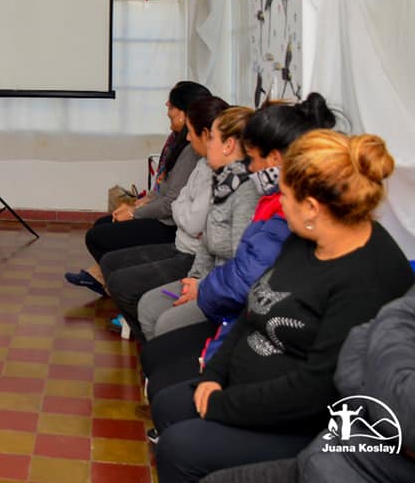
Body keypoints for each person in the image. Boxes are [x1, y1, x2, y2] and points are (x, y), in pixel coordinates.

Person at [151, 129, 414, 483]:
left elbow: (315, 390)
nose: (278, 202)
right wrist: (213, 377)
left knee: (179, 447)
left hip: (302, 422)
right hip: (246, 390)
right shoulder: (305, 237)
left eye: (285, 195)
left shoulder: (368, 277)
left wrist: (220, 405)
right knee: (168, 404)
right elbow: (253, 309)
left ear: (311, 207)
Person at [139, 94, 338, 401]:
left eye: (255, 159)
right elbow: (209, 241)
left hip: (230, 304)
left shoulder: (266, 202)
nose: (252, 167)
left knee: (163, 335)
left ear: (276, 161)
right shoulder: (236, 185)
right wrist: (197, 278)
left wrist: (201, 288)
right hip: (220, 292)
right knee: (153, 325)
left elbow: (241, 269)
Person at [199, 286, 415, 483]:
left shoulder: (391, 303)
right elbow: (348, 368)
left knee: (183, 445)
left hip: (356, 467)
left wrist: (395, 315)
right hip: (328, 456)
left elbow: (402, 413)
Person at [78, 96, 226, 340]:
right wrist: (163, 206)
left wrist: (143, 211)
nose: (187, 139)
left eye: (191, 132)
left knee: (118, 271)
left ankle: (148, 335)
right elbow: (179, 202)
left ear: (206, 132)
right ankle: (136, 323)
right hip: (182, 238)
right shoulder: (200, 162)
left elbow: (184, 215)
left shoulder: (213, 170)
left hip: (184, 246)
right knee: (109, 257)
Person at [65, 81, 211, 294]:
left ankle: (112, 281)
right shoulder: (177, 140)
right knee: (102, 226)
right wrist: (148, 198)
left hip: (169, 226)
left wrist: (135, 213)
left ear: (183, 113)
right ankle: (104, 277)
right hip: (167, 217)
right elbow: (167, 186)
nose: (166, 107)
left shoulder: (190, 150)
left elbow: (171, 203)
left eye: (171, 105)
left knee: (99, 236)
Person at [134, 106, 259, 341]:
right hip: (205, 279)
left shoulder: (246, 191)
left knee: (162, 320)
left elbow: (238, 258)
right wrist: (193, 279)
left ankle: (169, 369)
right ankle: (161, 368)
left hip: (224, 292)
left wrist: (201, 287)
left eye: (210, 137)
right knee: (149, 305)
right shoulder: (225, 182)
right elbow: (204, 243)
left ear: (229, 145)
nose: (194, 141)